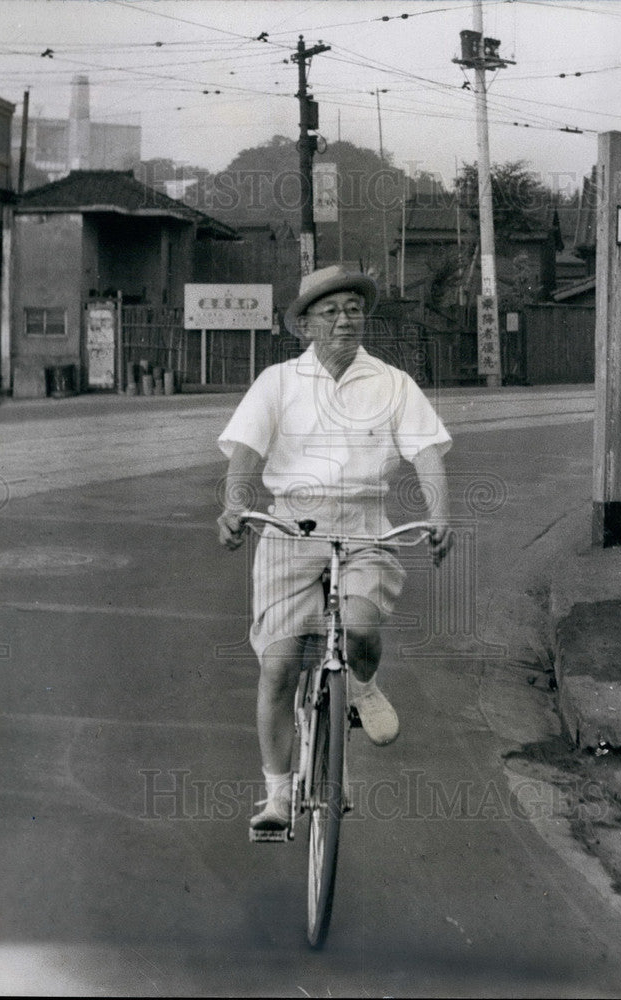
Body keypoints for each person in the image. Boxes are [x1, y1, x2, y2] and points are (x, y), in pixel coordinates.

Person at [216, 264, 453, 835]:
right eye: (330, 312)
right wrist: (234, 506)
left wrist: (439, 514)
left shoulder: (392, 382)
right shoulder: (277, 382)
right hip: (290, 525)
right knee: (279, 665)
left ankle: (362, 688)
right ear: (305, 325)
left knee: (362, 628)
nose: (345, 320)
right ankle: (277, 795)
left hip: (365, 523)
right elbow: (245, 452)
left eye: (353, 309)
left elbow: (427, 453)